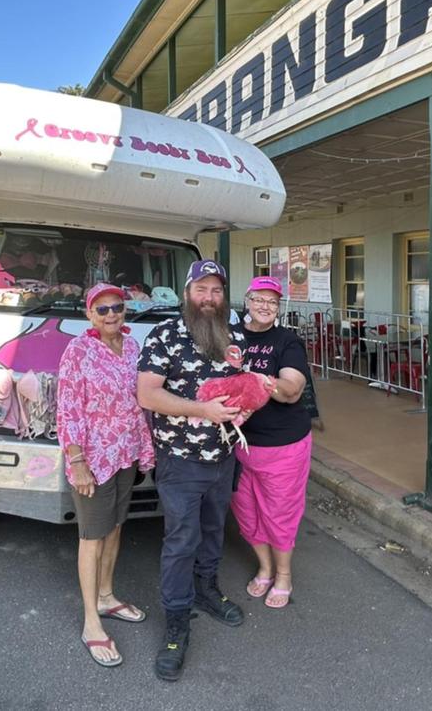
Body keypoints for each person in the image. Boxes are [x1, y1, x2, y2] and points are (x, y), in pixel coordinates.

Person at [137, 259, 266, 682]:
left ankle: (207, 590)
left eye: (215, 291)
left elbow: (242, 381)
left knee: (213, 531)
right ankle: (176, 622)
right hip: (180, 460)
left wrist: (246, 404)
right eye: (201, 290)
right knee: (181, 539)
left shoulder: (233, 335)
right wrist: (202, 410)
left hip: (224, 457)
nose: (209, 299)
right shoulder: (165, 335)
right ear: (187, 292)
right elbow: (148, 395)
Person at [57, 282, 155, 668]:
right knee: (92, 536)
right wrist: (77, 461)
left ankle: (107, 595)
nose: (112, 314)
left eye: (117, 307)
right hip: (94, 459)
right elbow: (67, 410)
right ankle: (91, 622)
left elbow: (140, 401)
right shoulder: (78, 351)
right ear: (89, 315)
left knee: (115, 527)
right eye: (103, 310)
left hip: (126, 452)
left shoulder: (132, 347)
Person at [230, 276, 311, 609]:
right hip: (239, 444)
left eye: (272, 301)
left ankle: (284, 576)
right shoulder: (231, 337)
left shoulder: (287, 341)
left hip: (282, 445)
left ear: (279, 307)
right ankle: (264, 567)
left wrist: (256, 381)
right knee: (246, 512)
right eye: (259, 299)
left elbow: (291, 392)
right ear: (247, 301)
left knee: (279, 514)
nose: (265, 306)